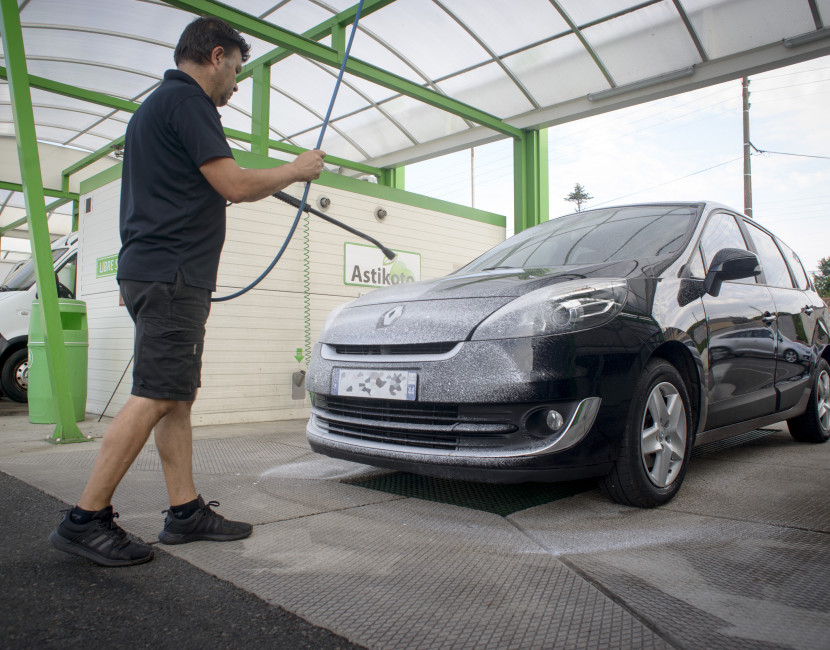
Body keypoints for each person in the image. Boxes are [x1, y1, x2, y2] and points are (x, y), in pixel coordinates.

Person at [49, 17, 326, 567]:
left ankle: (185, 511)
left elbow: (188, 189)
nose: (237, 83)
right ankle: (85, 519)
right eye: (238, 70)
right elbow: (234, 184)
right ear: (217, 56)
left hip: (154, 269)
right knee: (156, 393)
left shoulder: (155, 108)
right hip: (172, 273)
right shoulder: (189, 103)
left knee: (174, 395)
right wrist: (295, 169)